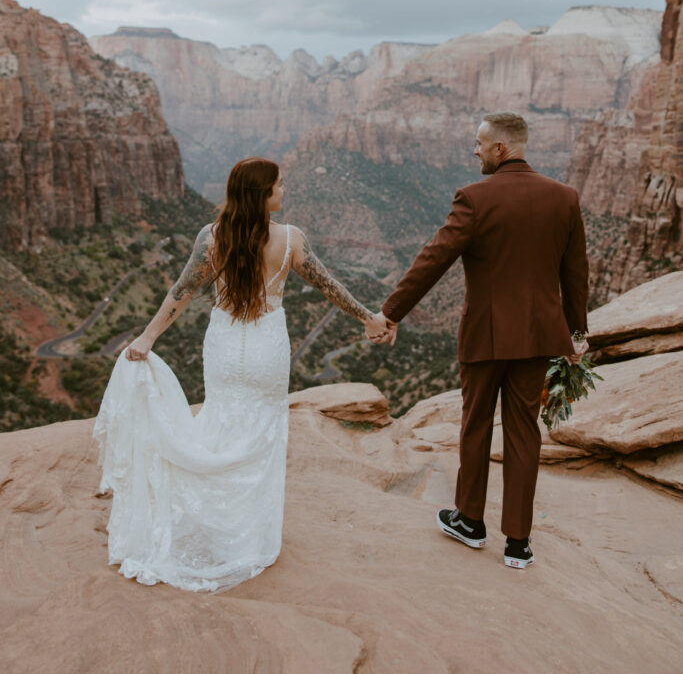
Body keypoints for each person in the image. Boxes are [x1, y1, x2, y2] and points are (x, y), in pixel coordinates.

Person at [94, 157, 391, 592]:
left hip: (226, 346)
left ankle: (210, 523)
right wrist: (369, 318)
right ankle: (247, 536)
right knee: (262, 435)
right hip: (268, 348)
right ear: (262, 195)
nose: (284, 191)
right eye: (279, 186)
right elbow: (329, 286)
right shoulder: (290, 240)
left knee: (219, 424)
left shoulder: (212, 237)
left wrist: (147, 339)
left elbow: (181, 291)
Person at [376, 112, 589, 569]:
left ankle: (470, 522)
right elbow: (576, 276)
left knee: (475, 426)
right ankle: (518, 543)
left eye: (479, 143)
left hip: (486, 336)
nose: (474, 150)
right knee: (523, 433)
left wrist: (390, 312)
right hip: (538, 338)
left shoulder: (474, 198)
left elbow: (433, 258)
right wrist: (577, 334)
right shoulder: (565, 198)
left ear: (500, 149)